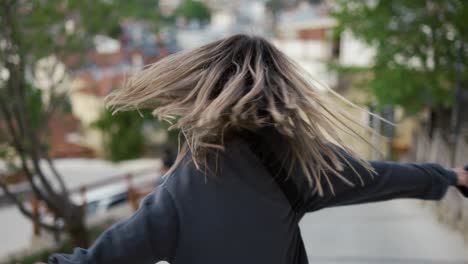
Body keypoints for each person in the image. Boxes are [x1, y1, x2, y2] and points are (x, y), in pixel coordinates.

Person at [48, 34, 468, 264]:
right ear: (278, 93)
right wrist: (450, 176)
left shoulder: (178, 194)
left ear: (198, 93)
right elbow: (380, 177)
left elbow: (103, 259)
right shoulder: (302, 164)